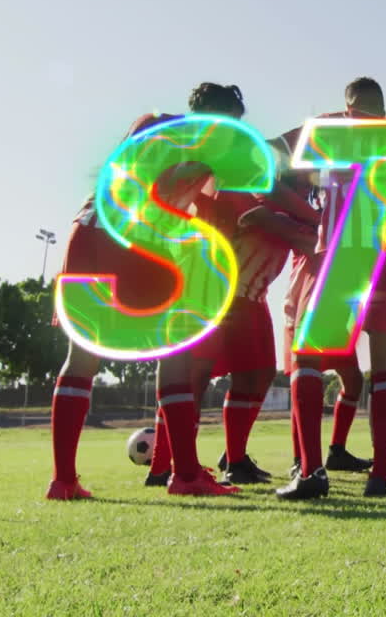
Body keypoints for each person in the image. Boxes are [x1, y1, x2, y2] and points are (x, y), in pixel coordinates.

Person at [46, 83, 247, 500]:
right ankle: (186, 475)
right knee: (175, 348)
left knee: (82, 355)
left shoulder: (151, 123)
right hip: (135, 241)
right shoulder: (205, 146)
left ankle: (63, 480)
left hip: (86, 231)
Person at [275, 77, 386, 500]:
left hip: (344, 255)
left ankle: (312, 472)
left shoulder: (330, 132)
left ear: (347, 106)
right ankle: (381, 475)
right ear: (383, 109)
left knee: (308, 357)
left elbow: (273, 157)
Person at [145, 141, 319, 486]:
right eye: (299, 175)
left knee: (258, 374)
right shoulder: (255, 194)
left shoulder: (289, 206)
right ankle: (163, 465)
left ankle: (235, 459)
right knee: (194, 376)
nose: (306, 181)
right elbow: (277, 220)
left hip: (252, 296)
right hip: (218, 294)